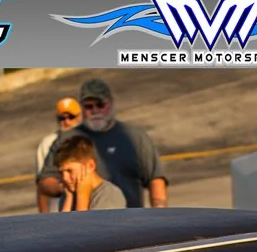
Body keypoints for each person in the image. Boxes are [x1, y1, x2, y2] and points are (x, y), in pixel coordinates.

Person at [44, 78, 167, 208]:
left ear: (111, 103)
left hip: (129, 216)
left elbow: (156, 179)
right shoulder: (67, 139)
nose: (95, 111)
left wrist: (159, 211)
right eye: (88, 106)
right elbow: (45, 181)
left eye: (100, 105)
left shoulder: (135, 137)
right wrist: (68, 185)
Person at [53, 135, 126, 211]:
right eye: (61, 173)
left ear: (90, 166)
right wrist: (68, 199)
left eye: (69, 171)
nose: (65, 178)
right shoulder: (68, 194)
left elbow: (83, 219)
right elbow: (64, 219)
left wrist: (82, 193)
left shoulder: (109, 194)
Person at [35, 97, 81, 213]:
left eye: (71, 117)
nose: (67, 122)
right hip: (58, 208)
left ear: (80, 117)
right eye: (62, 118)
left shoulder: (87, 139)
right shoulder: (48, 143)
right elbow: (42, 184)